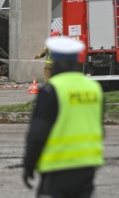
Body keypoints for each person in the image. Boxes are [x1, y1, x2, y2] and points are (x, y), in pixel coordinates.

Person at [23, 36, 105, 198]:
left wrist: (29, 165)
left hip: (57, 168)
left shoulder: (51, 90)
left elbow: (37, 134)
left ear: (56, 64)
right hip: (88, 167)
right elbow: (100, 127)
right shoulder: (94, 88)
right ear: (76, 62)